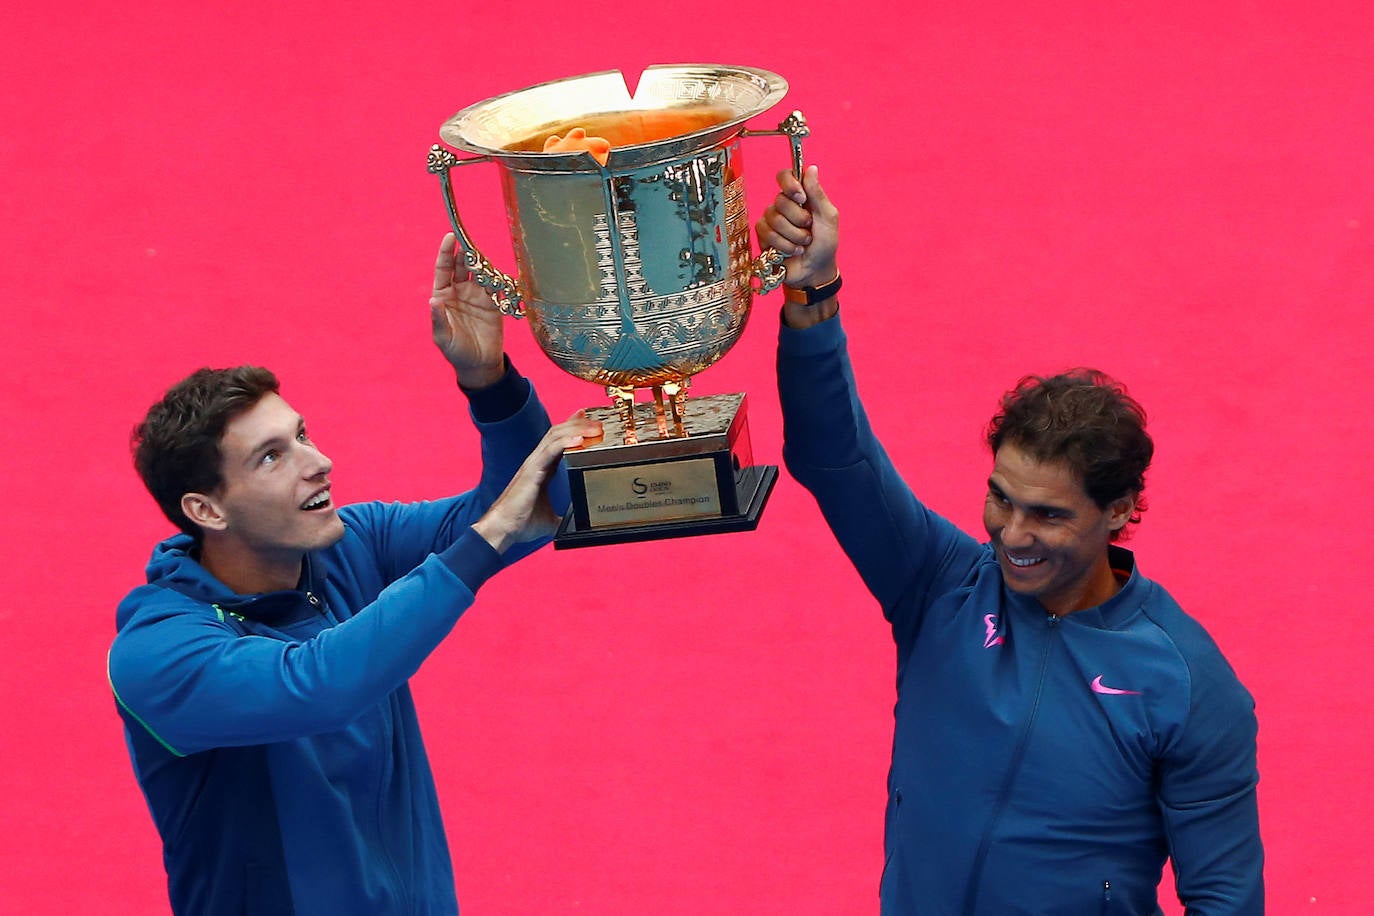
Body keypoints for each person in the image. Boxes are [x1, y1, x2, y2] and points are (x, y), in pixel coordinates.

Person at [757, 168, 1263, 914]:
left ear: (1120, 510)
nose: (1012, 536)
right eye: (1001, 499)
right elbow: (833, 457)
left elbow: (1224, 898)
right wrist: (814, 293)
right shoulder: (940, 585)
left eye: (1049, 516)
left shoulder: (1188, 686)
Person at [107, 233, 601, 916]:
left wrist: (488, 383)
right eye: (272, 458)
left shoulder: (350, 546)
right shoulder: (158, 652)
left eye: (303, 434)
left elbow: (531, 503)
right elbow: (318, 685)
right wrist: (484, 541)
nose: (319, 462)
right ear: (206, 508)